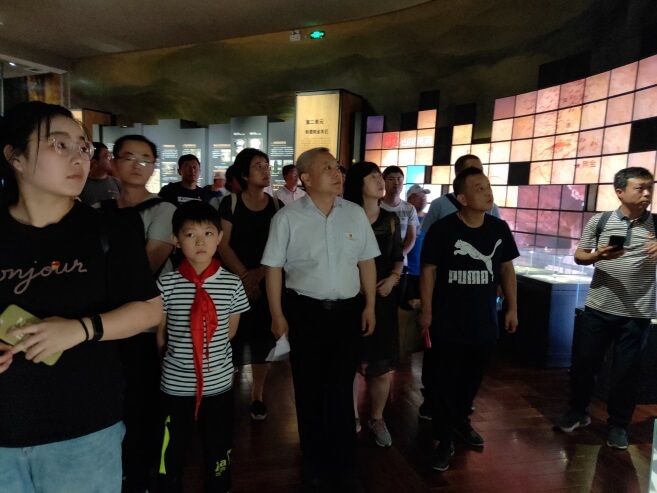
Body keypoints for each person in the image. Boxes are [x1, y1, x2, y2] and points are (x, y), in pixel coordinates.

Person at [0, 101, 162, 492]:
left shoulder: (110, 229)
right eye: (59, 145)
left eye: (83, 147)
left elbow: (149, 310)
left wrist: (80, 329)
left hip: (84, 432)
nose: (79, 158)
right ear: (15, 157)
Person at [262, 147, 379, 491]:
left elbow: (367, 262)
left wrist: (370, 305)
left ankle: (345, 465)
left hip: (347, 313)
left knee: (341, 390)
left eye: (338, 167)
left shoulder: (354, 213)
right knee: (309, 390)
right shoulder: (287, 218)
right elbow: (273, 269)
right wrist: (277, 315)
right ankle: (313, 462)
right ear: (306, 178)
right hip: (305, 313)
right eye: (327, 168)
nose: (337, 173)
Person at [419, 166, 519, 472]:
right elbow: (428, 271)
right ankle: (444, 438)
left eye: (488, 186)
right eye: (479, 188)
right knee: (445, 380)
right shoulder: (443, 229)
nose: (488, 193)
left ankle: (461, 421)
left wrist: (512, 308)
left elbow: (506, 269)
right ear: (462, 198)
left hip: (484, 320)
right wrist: (427, 312)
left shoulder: (498, 228)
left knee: (473, 378)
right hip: (448, 320)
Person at [556, 167, 657, 450]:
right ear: (620, 192)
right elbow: (580, 255)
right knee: (585, 364)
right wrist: (597, 255)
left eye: (650, 188)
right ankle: (578, 411)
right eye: (640, 188)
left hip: (637, 312)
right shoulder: (600, 221)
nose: (647, 193)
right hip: (599, 306)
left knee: (627, 372)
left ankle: (619, 425)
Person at [98, 134, 177, 493]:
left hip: (143, 322)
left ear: (153, 167)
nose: (136, 165)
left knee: (142, 401)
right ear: (113, 163)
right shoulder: (97, 209)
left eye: (145, 159)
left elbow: (148, 266)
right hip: (104, 322)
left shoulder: (163, 210)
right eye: (128, 157)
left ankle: (140, 475)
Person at [156, 201, 249, 493]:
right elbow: (161, 334)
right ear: (175, 239)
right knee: (171, 449)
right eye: (190, 234)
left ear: (219, 237)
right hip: (175, 385)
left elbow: (230, 332)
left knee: (218, 447)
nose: (200, 242)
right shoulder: (166, 284)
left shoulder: (232, 284)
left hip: (217, 384)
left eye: (208, 233)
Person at [417, 154, 501, 421]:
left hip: (479, 300)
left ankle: (461, 411)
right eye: (471, 173)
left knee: (473, 361)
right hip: (446, 297)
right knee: (441, 357)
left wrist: (503, 293)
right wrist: (426, 305)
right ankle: (434, 404)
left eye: (482, 175)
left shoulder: (493, 214)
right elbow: (428, 253)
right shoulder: (441, 207)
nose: (483, 186)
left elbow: (502, 258)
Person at [217, 148, 283, 421]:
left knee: (261, 341)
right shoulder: (230, 203)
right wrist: (246, 276)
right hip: (234, 282)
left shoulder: (277, 206)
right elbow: (223, 244)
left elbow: (281, 247)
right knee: (229, 338)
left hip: (267, 283)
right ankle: (224, 391)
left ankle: (257, 394)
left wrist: (259, 275)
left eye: (267, 165)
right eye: (258, 166)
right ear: (244, 174)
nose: (266, 170)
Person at [344, 162, 403, 448]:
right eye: (373, 177)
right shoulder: (344, 217)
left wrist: (393, 278)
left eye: (381, 176)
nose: (381, 181)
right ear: (358, 183)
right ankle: (352, 416)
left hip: (382, 299)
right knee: (350, 363)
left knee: (381, 364)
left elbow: (397, 258)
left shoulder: (390, 219)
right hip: (349, 299)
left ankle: (377, 417)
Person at [421, 154, 501, 234]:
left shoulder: (491, 208)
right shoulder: (439, 205)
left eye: (481, 171)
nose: (479, 175)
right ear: (458, 174)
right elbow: (426, 235)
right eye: (472, 171)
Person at [381, 165, 418, 261]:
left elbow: (411, 239)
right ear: (383, 181)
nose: (396, 182)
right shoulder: (376, 205)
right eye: (391, 179)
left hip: (401, 262)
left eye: (399, 179)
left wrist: (399, 257)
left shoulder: (410, 209)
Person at [405, 184, 430, 302]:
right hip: (407, 272)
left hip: (425, 273)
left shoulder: (430, 219)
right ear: (410, 198)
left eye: (424, 196)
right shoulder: (402, 219)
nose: (423, 199)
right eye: (419, 196)